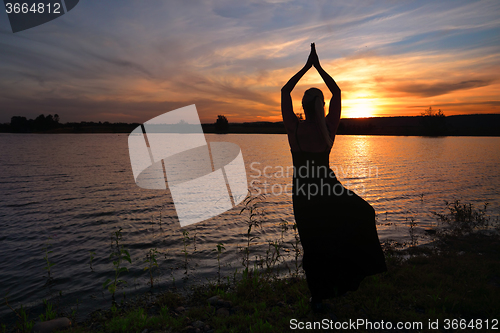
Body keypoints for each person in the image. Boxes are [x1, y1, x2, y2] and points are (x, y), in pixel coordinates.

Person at [281, 43, 387, 312]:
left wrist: (306, 67)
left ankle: (317, 297)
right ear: (323, 105)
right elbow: (338, 91)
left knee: (312, 242)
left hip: (303, 190)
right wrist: (319, 67)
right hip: (327, 188)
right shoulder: (328, 129)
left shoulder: (294, 129)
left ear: (303, 106)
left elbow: (284, 91)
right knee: (363, 214)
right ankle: (349, 277)